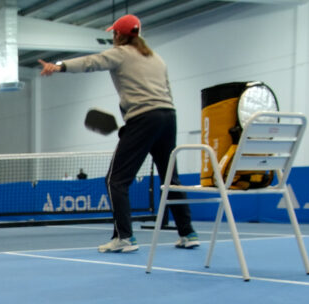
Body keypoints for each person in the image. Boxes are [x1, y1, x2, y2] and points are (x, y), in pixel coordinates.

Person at [39, 14, 199, 253]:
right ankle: (188, 233)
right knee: (170, 179)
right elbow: (167, 91)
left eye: (114, 33)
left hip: (143, 118)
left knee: (116, 180)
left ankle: (124, 237)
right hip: (168, 117)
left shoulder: (120, 53)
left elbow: (91, 62)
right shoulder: (157, 58)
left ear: (118, 35)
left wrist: (59, 66)